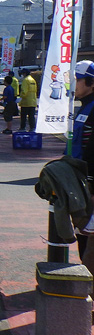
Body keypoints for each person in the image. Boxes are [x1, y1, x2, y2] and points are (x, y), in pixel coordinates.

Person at [66, 60, 94, 268]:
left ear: (91, 82)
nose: (72, 85)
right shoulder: (83, 108)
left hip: (90, 186)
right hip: (80, 185)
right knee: (83, 236)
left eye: (76, 80)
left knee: (89, 244)